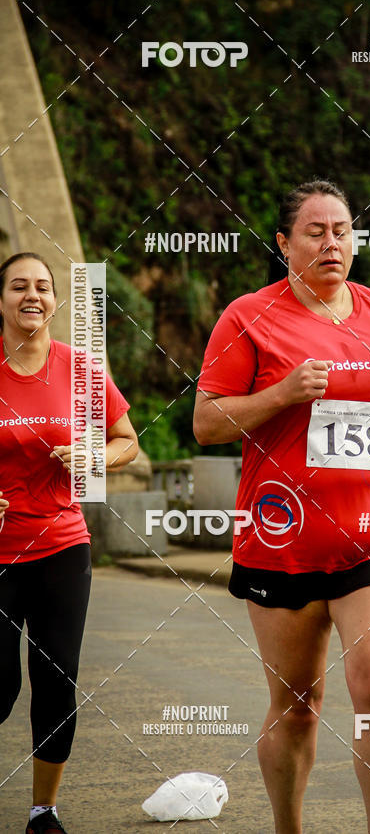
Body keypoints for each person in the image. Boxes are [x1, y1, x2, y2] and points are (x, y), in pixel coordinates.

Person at [193, 180, 370, 834]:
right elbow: (207, 423)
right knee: (297, 704)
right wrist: (281, 393)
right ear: (283, 242)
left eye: (342, 231)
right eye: (315, 231)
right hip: (284, 537)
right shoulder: (248, 316)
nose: (332, 243)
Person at [0, 252, 139, 834]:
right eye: (17, 286)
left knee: (57, 678)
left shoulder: (80, 369)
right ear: (0, 299)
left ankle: (43, 810)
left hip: (62, 547)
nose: (32, 295)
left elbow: (126, 440)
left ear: (55, 300)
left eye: (43, 287)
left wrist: (93, 456)